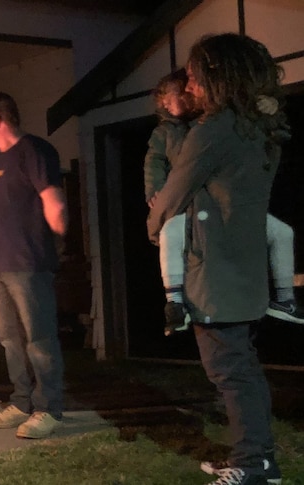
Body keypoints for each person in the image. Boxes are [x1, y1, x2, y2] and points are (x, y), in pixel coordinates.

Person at [147, 33, 288, 485]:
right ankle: (258, 459)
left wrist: (155, 229)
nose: (188, 88)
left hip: (216, 269)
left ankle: (254, 466)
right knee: (241, 366)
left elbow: (175, 190)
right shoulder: (257, 125)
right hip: (242, 264)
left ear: (216, 76)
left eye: (192, 78)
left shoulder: (216, 129)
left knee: (229, 371)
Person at [145, 72, 303, 336]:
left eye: (187, 90)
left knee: (283, 233)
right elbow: (154, 162)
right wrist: (154, 189)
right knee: (169, 234)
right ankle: (174, 303)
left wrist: (270, 109)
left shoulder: (209, 123)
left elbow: (272, 136)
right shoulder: (164, 133)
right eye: (175, 94)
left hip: (226, 206)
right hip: (188, 204)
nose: (185, 95)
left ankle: (285, 299)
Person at [0, 92, 68, 439]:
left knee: (39, 338)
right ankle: (21, 400)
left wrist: (58, 234)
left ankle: (49, 408)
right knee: (9, 339)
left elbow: (52, 199)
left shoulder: (34, 150)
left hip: (27, 262)